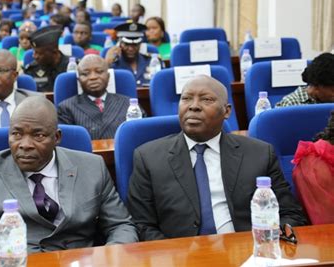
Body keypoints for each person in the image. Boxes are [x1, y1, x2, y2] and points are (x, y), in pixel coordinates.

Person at [0, 96, 138, 265]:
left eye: (38, 135)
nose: (25, 145)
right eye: (16, 134)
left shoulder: (92, 167)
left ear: (56, 137)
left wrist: (105, 260)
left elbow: (122, 226)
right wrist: (0, 265)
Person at [127, 75, 307, 240]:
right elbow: (141, 224)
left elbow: (290, 214)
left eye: (206, 99)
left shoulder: (259, 154)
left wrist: (266, 244)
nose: (194, 106)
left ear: (226, 111)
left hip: (247, 252)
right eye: (186, 98)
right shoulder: (148, 157)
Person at [58, 55, 141, 140]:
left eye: (99, 72)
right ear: (79, 80)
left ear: (108, 77)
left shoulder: (128, 104)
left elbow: (141, 134)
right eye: (85, 74)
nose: (93, 77)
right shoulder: (66, 108)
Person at [105, 22, 160, 86]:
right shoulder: (113, 64)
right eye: (126, 44)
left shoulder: (151, 61)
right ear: (119, 44)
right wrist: (107, 64)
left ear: (140, 44)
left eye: (135, 45)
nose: (131, 49)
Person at [24, 25, 69, 92]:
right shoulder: (32, 70)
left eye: (39, 53)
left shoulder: (71, 67)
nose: (34, 56)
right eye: (34, 52)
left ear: (54, 52)